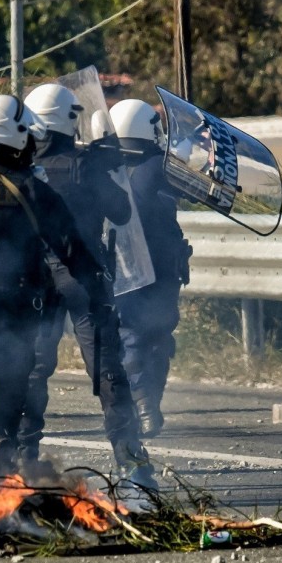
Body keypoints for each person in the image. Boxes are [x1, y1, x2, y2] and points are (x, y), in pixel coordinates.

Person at [18, 84, 156, 490]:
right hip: (83, 276)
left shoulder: (24, 168)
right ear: (68, 119)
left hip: (37, 279)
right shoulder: (84, 164)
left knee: (33, 370)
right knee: (108, 370)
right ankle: (131, 462)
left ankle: (21, 460)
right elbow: (120, 210)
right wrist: (104, 168)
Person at [109, 99, 192, 438]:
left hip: (122, 270)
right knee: (155, 337)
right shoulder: (159, 165)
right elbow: (197, 185)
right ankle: (147, 406)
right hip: (160, 273)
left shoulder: (104, 168)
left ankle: (142, 407)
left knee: (132, 338)